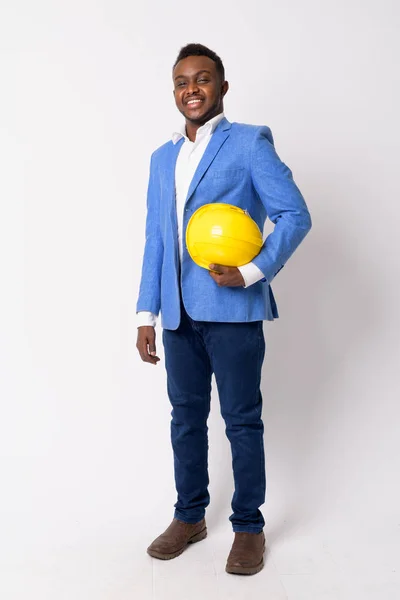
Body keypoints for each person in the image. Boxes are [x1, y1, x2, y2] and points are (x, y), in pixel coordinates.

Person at [136, 43, 312, 576]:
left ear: (222, 87)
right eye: (182, 81)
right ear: (174, 91)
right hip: (177, 314)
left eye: (203, 79)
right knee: (185, 420)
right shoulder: (162, 157)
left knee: (241, 421)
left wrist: (253, 272)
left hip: (233, 309)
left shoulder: (249, 143)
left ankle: (248, 527)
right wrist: (146, 314)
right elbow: (156, 240)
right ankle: (189, 517)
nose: (192, 89)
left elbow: (294, 214)